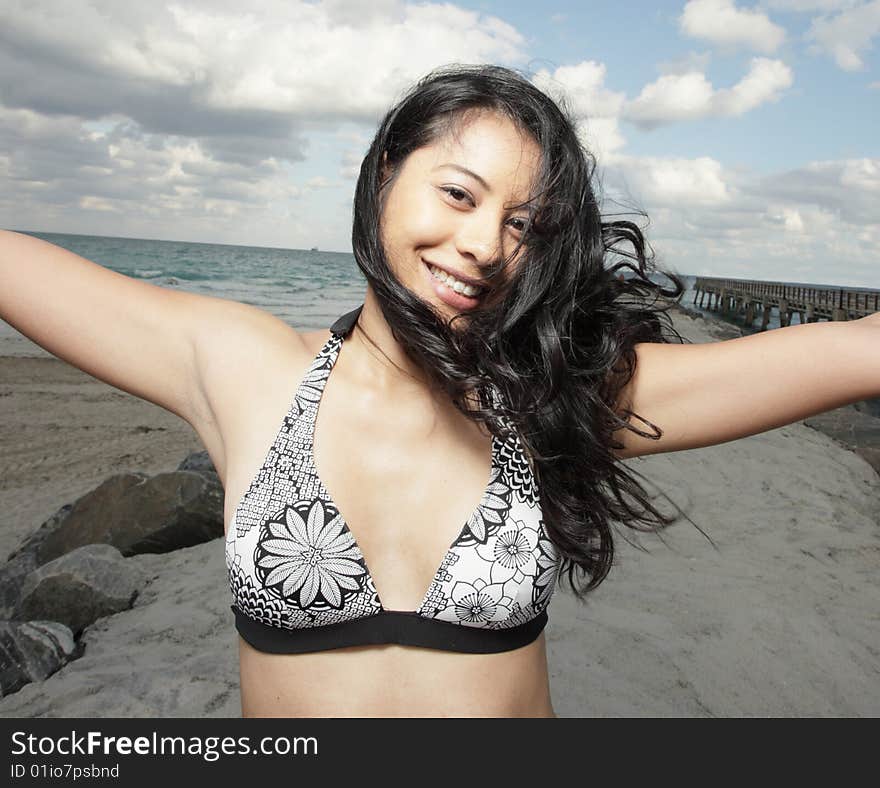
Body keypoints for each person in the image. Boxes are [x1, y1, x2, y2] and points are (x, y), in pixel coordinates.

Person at [1, 64, 877, 719]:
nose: (483, 245)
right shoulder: (247, 369)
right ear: (386, 171)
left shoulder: (554, 398)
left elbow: (850, 351)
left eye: (522, 226)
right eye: (457, 193)